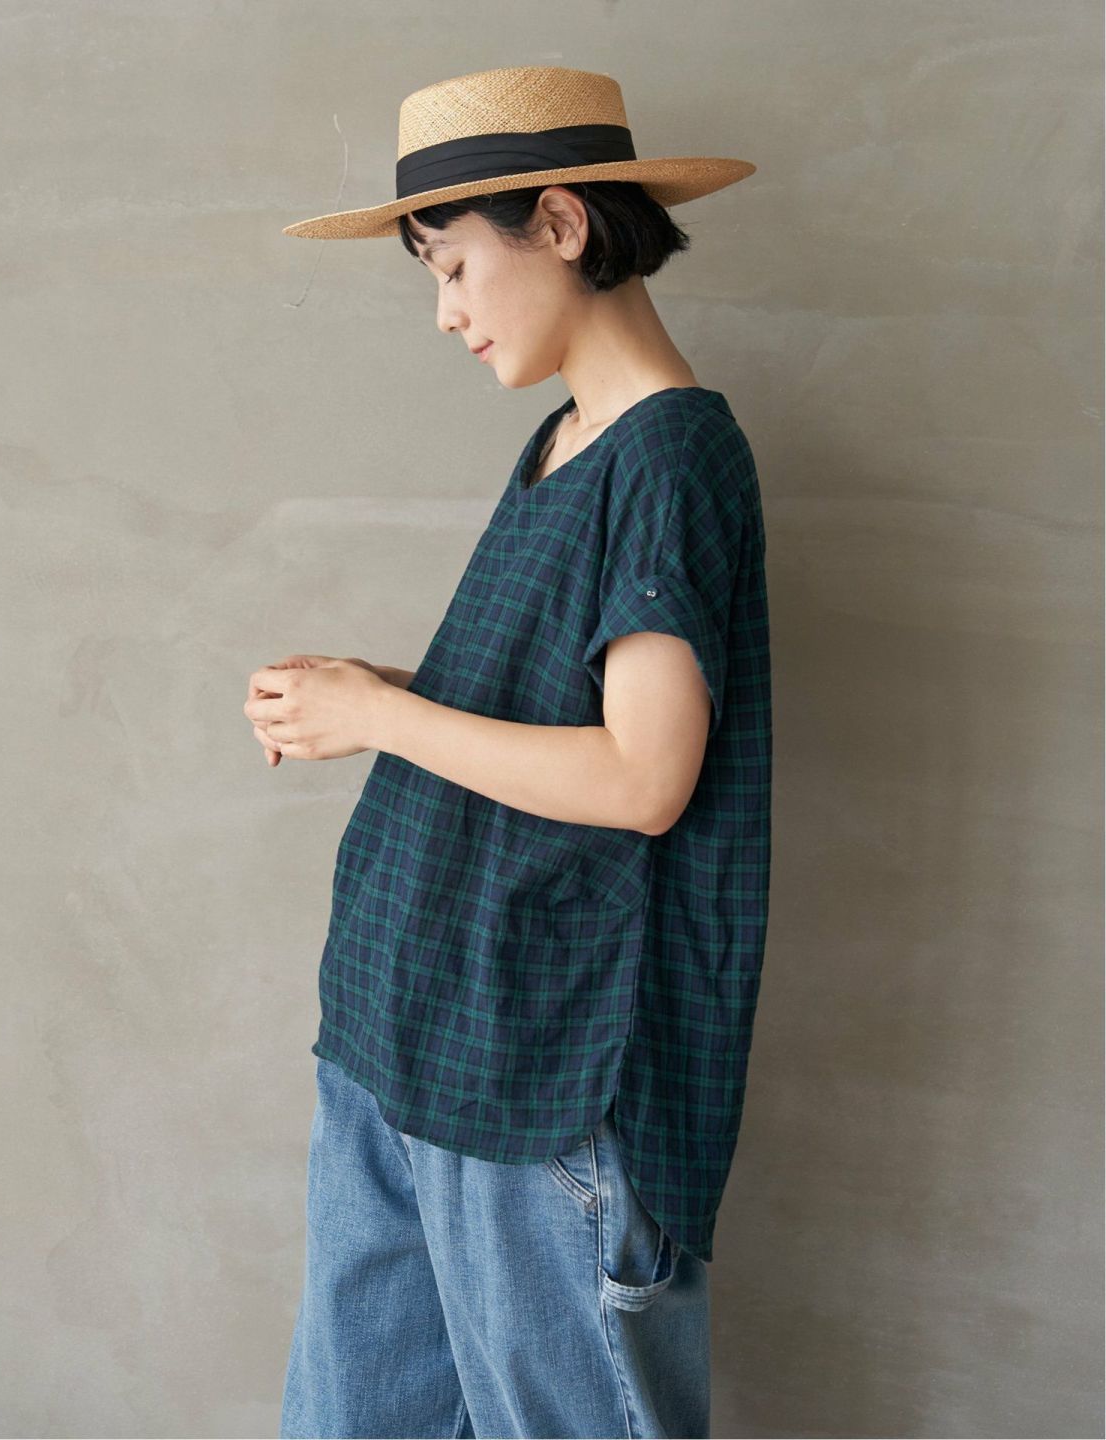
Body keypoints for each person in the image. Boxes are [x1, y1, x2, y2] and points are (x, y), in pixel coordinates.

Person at [248, 65, 771, 1440]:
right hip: (410, 1030)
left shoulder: (671, 457)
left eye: (456, 268)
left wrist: (383, 720)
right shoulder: (567, 439)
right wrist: (376, 690)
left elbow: (643, 779)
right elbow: (560, 724)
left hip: (540, 1071)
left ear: (561, 223)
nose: (447, 312)